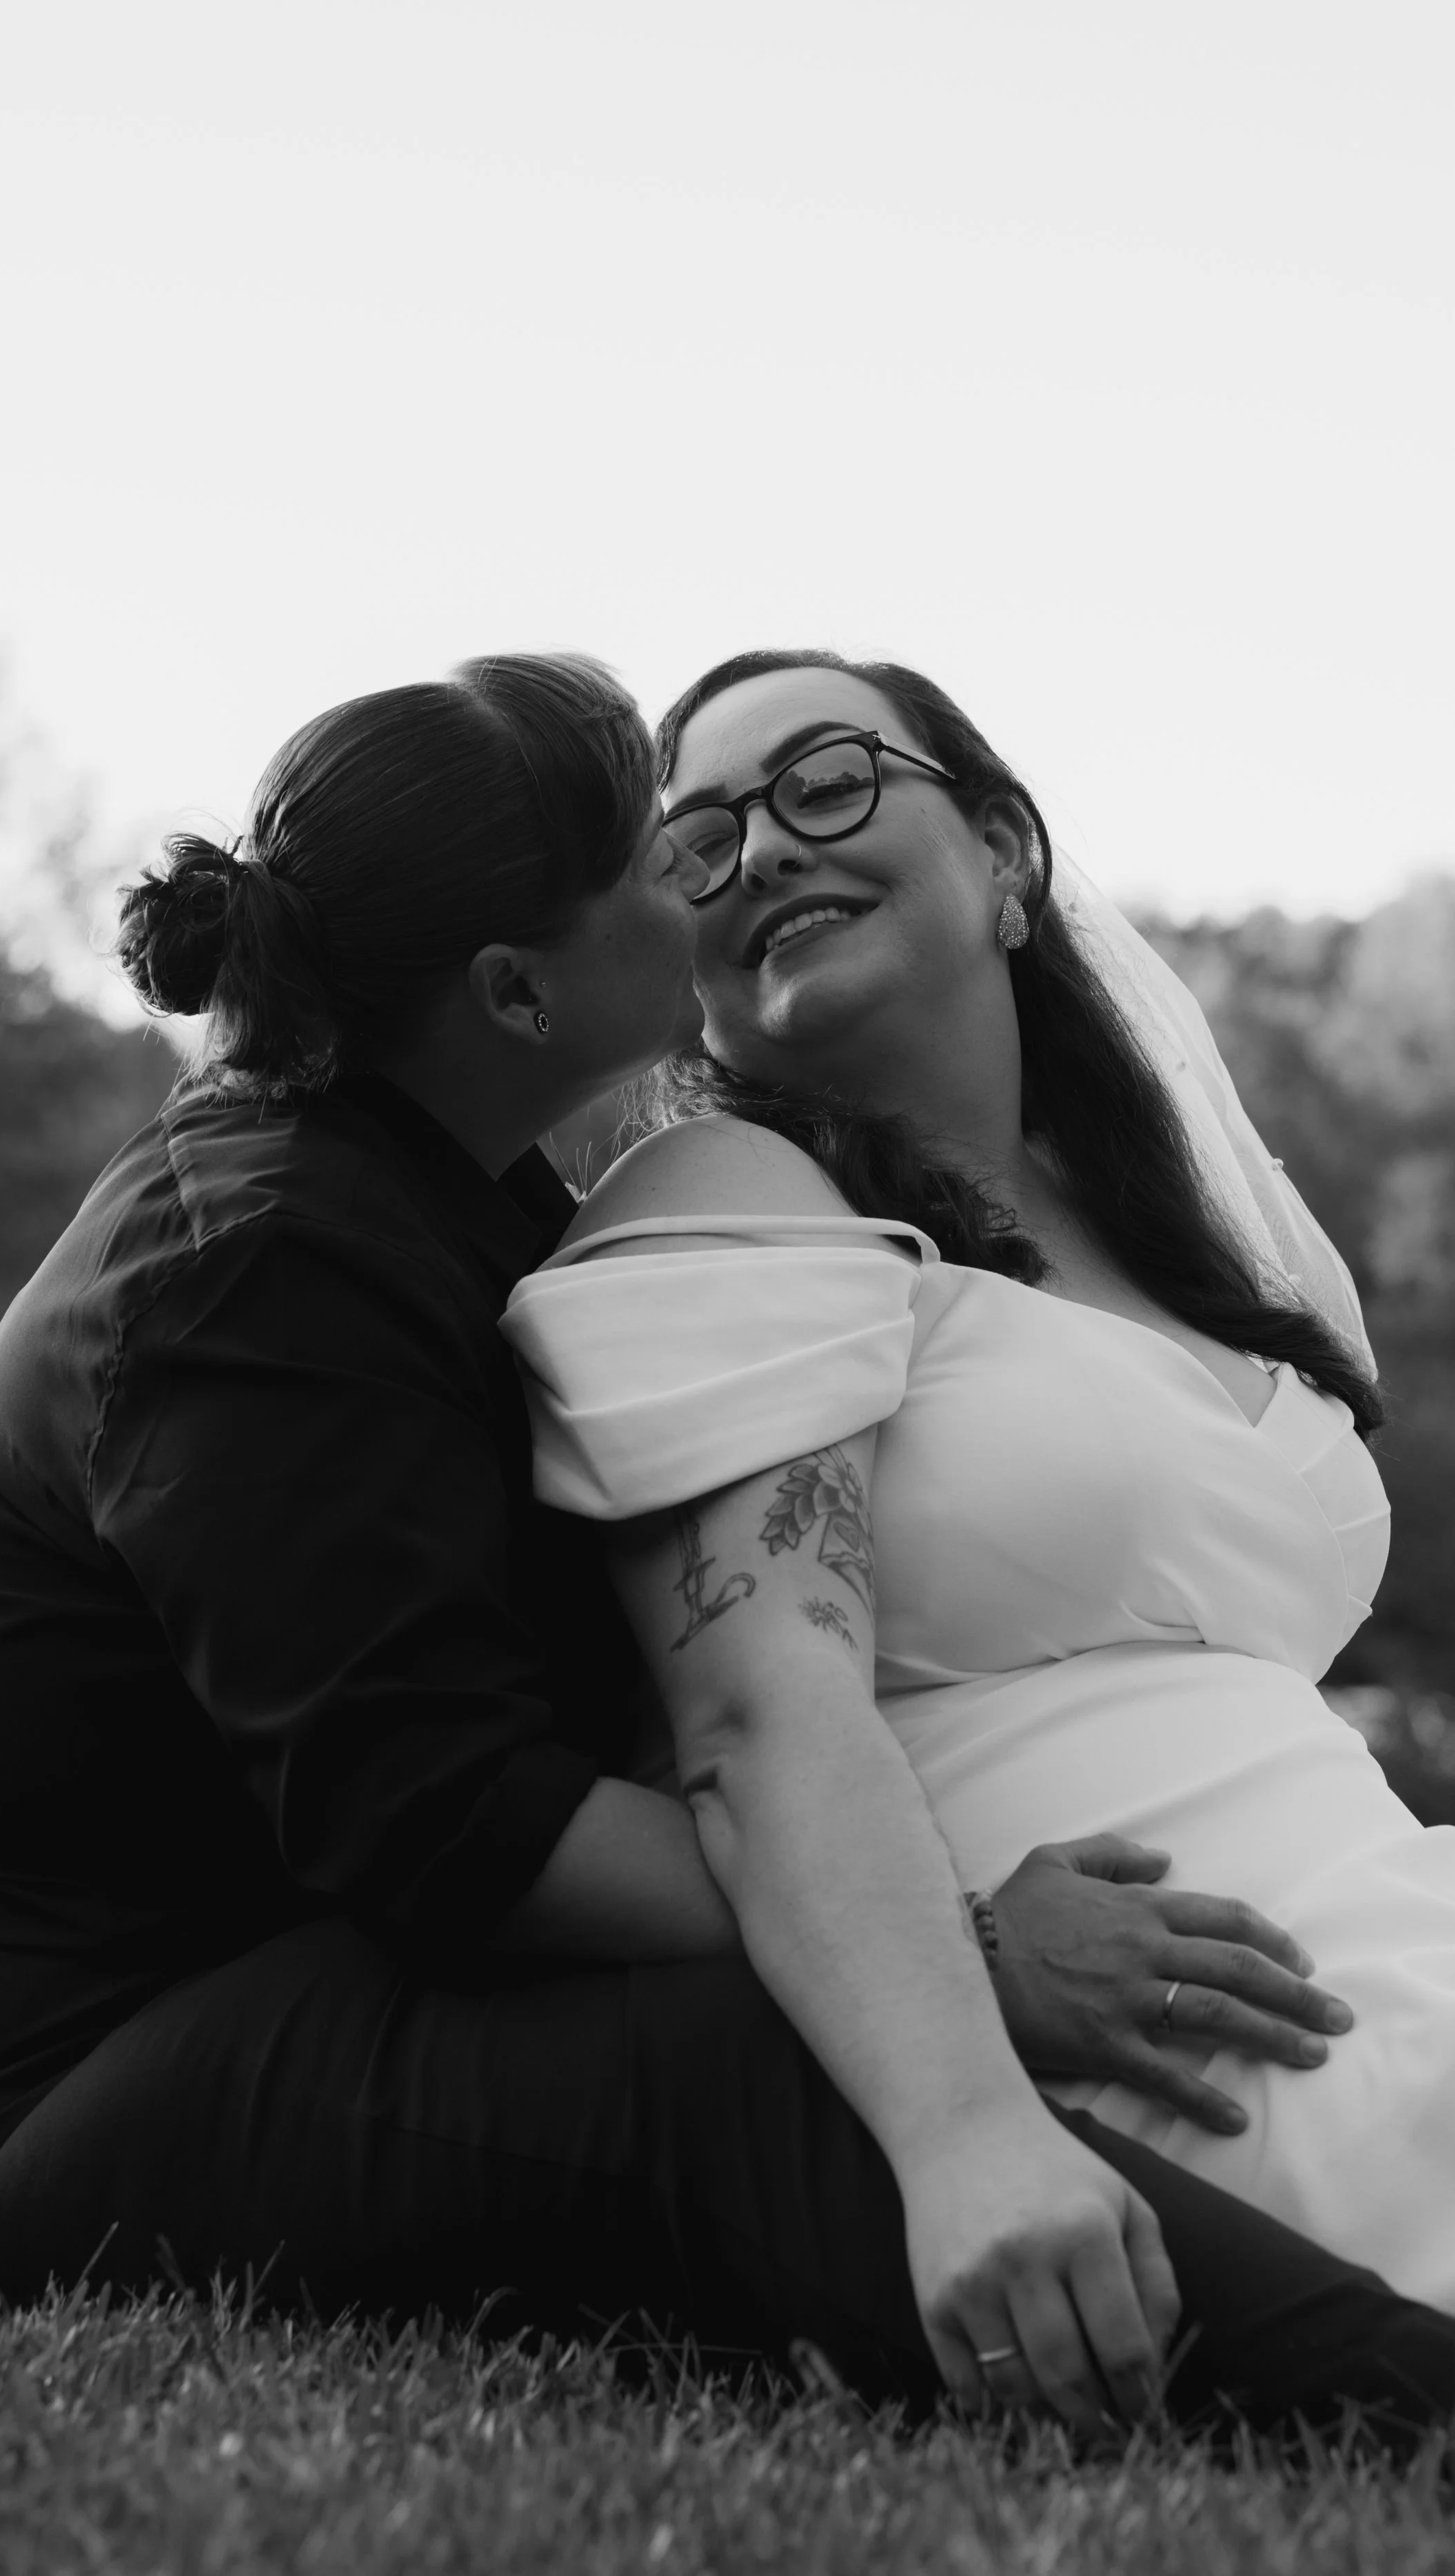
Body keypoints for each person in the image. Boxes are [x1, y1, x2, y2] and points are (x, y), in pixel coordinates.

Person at [0, 657, 1455, 2452]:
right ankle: (1405, 2408)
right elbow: (443, 1816)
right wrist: (962, 1962)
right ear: (512, 987)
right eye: (672, 847)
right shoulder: (248, 1250)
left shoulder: (453, 1201)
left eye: (784, 801)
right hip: (19, 2082)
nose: (715, 874)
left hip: (273, 1972)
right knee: (727, 2075)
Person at [500, 647, 1455, 2365]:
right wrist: (964, 2133)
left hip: (1386, 1908)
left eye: (823, 783)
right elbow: (744, 1716)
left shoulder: (1186, 1234)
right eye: (697, 842)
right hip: (1161, 2027)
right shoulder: (732, 1195)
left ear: (1006, 856)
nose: (764, 850)